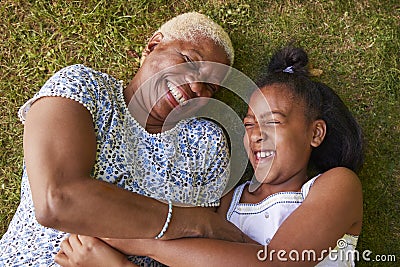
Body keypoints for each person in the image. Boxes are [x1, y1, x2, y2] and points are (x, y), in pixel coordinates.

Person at [57, 45, 364, 266]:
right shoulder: (229, 200)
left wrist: (139, 242)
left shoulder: (337, 186)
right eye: (248, 124)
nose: (256, 134)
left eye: (272, 121)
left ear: (315, 133)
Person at [0, 12, 248, 267]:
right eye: (189, 61)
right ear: (153, 45)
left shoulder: (206, 143)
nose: (196, 87)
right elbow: (58, 200)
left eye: (210, 87)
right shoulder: (84, 88)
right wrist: (195, 223)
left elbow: (196, 255)